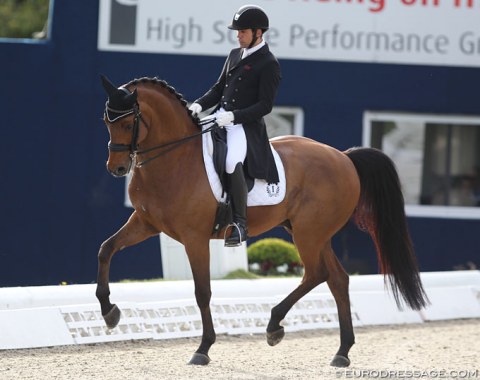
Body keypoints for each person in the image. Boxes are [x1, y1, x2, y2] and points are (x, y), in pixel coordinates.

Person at [189, 5, 281, 247]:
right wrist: (198, 105)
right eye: (237, 31)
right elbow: (219, 89)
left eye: (242, 32)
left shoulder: (269, 63)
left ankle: (240, 224)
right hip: (219, 116)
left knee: (231, 161)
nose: (237, 35)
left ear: (258, 33)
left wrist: (234, 117)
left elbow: (265, 106)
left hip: (244, 126)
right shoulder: (234, 54)